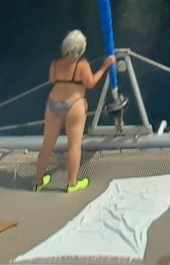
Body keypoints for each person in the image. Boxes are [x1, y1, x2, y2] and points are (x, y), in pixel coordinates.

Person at [32, 30, 113, 193]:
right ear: (82, 47)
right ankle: (72, 183)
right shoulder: (82, 64)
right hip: (74, 105)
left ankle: (38, 182)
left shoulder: (55, 64)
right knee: (74, 145)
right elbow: (90, 83)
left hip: (53, 104)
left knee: (47, 144)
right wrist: (104, 67)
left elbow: (52, 80)